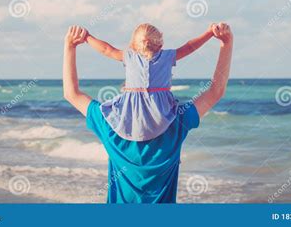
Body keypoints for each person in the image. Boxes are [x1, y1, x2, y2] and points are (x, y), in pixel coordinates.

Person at [63, 22, 233, 203]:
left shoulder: (110, 123)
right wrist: (226, 43)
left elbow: (72, 93)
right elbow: (215, 91)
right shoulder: (176, 121)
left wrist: (71, 45)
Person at [83, 23, 214, 141]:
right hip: (160, 115)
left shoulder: (129, 56)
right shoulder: (167, 56)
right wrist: (209, 33)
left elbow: (107, 49)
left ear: (133, 45)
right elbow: (190, 47)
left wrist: (87, 37)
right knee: (174, 121)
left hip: (131, 114)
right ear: (160, 44)